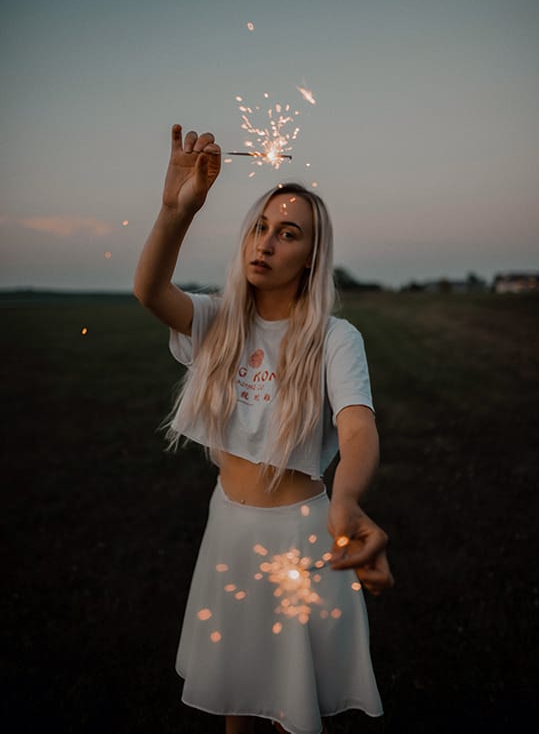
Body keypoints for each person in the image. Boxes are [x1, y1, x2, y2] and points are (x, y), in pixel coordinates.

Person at [134, 125, 394, 734]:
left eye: (288, 233)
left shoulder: (335, 338)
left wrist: (348, 500)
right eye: (260, 227)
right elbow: (149, 291)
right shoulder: (217, 320)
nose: (267, 243)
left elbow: (357, 428)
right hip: (228, 527)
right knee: (237, 694)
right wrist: (175, 210)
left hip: (300, 538)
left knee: (289, 704)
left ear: (311, 257)